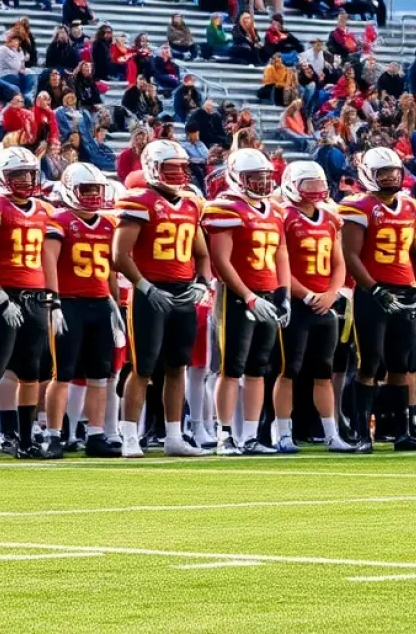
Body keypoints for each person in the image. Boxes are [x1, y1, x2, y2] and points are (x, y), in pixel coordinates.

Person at [113, 140, 211, 458]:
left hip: (183, 292)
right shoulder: (139, 200)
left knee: (177, 367)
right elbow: (119, 254)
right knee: (141, 367)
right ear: (153, 168)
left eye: (181, 167)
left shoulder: (192, 204)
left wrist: (203, 282)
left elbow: (201, 253)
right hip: (150, 292)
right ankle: (129, 434)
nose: (178, 173)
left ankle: (173, 436)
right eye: (171, 168)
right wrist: (143, 286)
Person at [337, 148, 416, 452]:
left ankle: (400, 431)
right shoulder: (359, 206)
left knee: (401, 363)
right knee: (370, 362)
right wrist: (373, 288)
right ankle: (363, 433)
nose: (391, 177)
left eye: (394, 171)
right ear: (368, 175)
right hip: (373, 292)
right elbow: (350, 255)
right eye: (383, 172)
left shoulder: (410, 206)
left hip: (404, 288)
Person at [0, 147, 59, 459]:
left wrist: (53, 299)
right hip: (3, 297)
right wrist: (2, 298)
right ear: (2, 176)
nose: (24, 179)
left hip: (34, 297)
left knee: (31, 371)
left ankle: (25, 441)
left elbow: (47, 260)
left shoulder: (43, 210)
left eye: (28, 173)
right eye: (16, 173)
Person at [202, 148, 288, 455]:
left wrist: (284, 292)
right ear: (237, 177)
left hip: (267, 293)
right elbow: (221, 261)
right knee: (231, 367)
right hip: (237, 296)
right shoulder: (226, 208)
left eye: (265, 177)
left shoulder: (275, 210)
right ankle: (225, 435)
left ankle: (251, 436)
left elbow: (281, 252)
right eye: (255, 177)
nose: (262, 183)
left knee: (258, 368)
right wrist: (248, 296)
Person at [40, 164, 121, 458]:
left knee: (100, 375)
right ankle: (53, 435)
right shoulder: (58, 220)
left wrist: (115, 303)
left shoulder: (108, 224)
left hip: (99, 303)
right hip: (69, 303)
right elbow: (48, 259)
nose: (92, 196)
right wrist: (54, 300)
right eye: (86, 190)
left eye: (96, 190)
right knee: (61, 374)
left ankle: (96, 434)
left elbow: (111, 269)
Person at [274, 161, 352, 453]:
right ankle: (283, 432)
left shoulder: (331, 218)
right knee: (289, 369)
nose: (316, 190)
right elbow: (279, 263)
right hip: (296, 304)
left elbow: (339, 262)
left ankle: (331, 433)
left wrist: (332, 293)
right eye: (308, 184)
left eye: (319, 183)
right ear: (292, 185)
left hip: (325, 305)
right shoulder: (283, 216)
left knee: (324, 371)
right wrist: (306, 295)